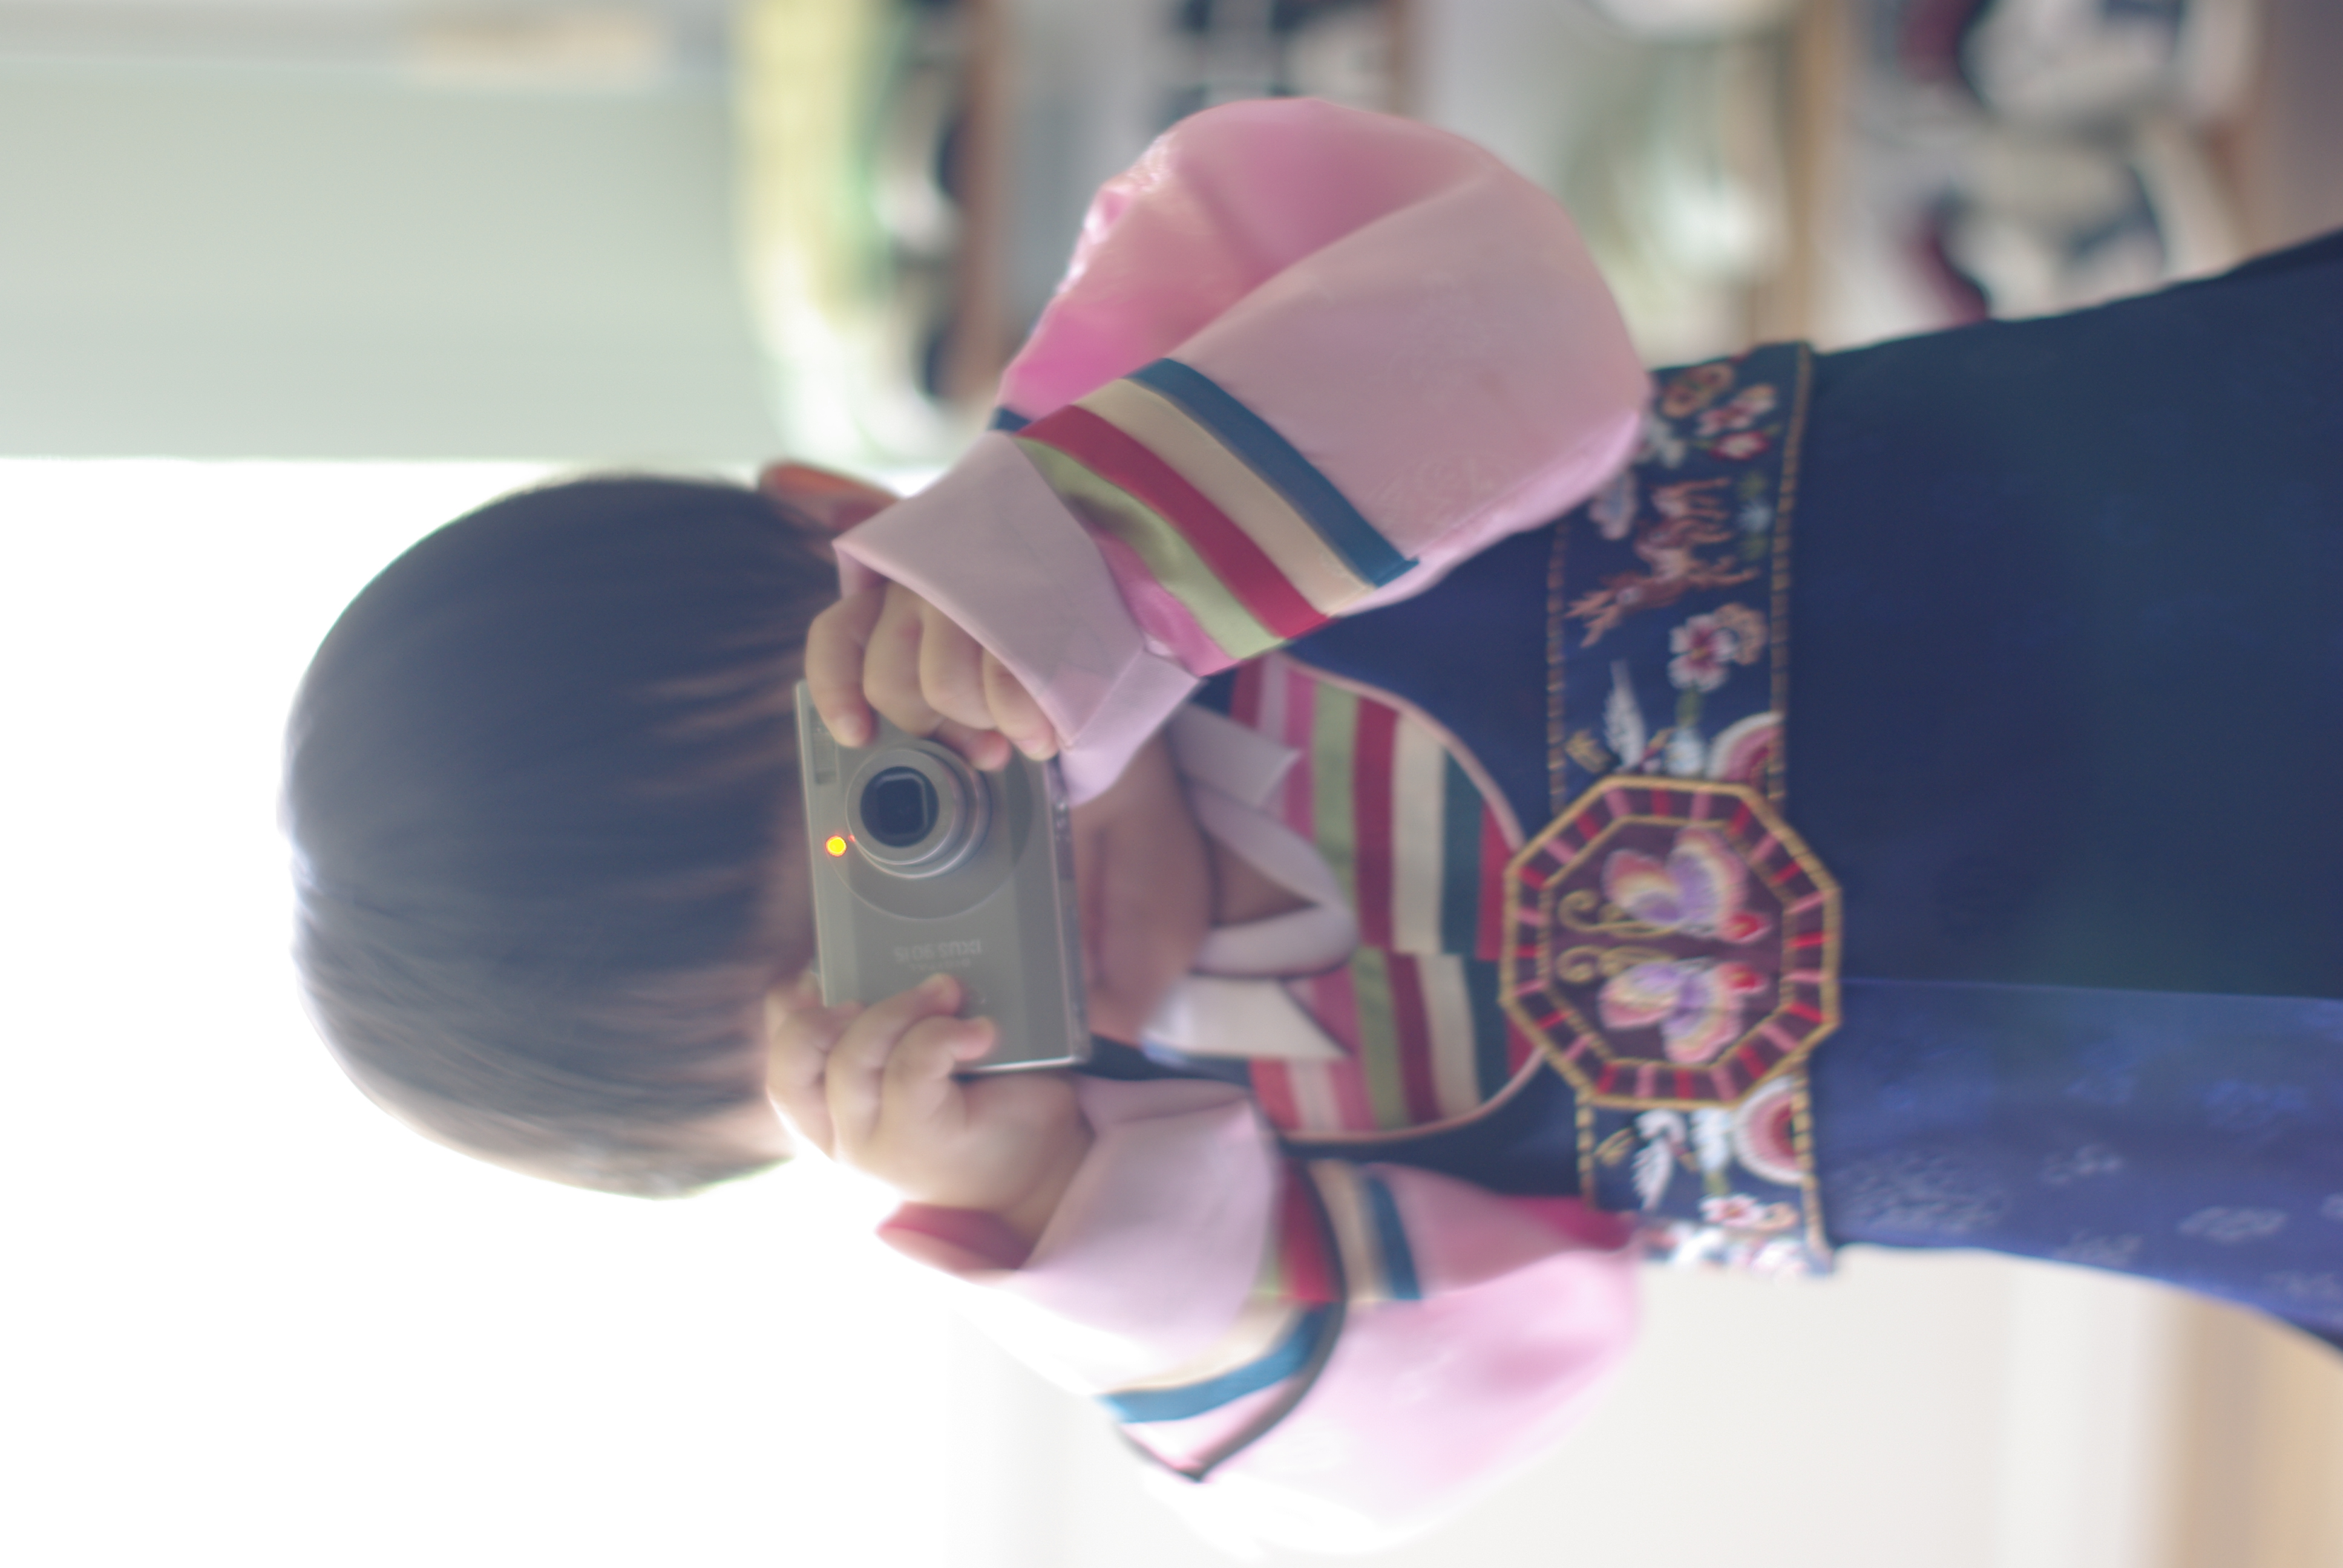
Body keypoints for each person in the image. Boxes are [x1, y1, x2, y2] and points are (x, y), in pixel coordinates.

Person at [286, 98, 2343, 1551]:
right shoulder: (1183, 1189)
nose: (986, 920)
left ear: (853, 529)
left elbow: (1519, 320)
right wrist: (1053, 1220)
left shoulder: (1154, 420)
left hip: (2195, 552)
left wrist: (1081, 561)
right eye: (869, 1013)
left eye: (885, 814)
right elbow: (1475, 1401)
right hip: (2219, 1132)